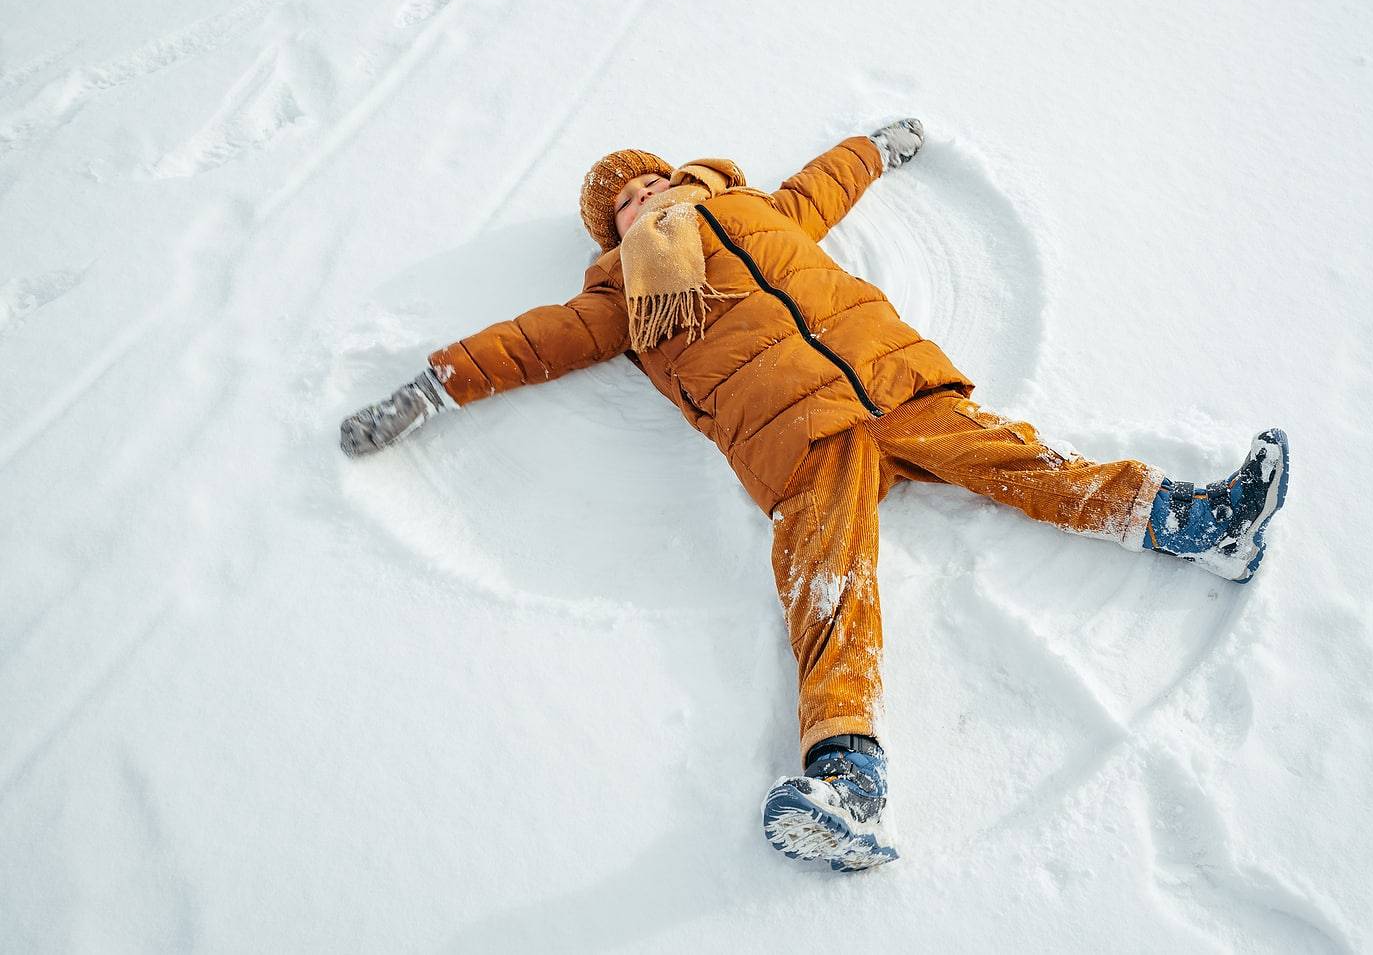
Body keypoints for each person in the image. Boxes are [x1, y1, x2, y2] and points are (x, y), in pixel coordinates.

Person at [339, 120, 1291, 872]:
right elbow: (526, 341)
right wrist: (426, 389)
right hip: (795, 438)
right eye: (621, 205)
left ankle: (1196, 523)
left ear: (675, 176)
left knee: (1025, 462)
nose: (639, 202)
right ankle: (845, 779)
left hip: (892, 382)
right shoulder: (624, 299)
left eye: (645, 183)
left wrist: (874, 148)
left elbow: (822, 185)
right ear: (613, 233)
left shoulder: (761, 210)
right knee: (828, 591)